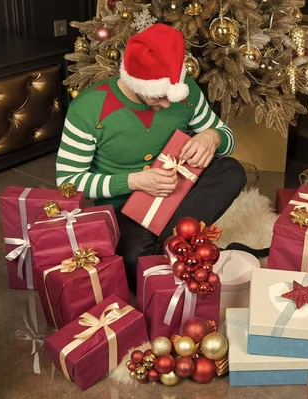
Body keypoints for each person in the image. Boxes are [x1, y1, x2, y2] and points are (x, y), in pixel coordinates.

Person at [55, 24, 247, 289]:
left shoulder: (186, 91)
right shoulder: (88, 108)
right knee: (134, 261)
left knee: (232, 170)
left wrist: (212, 137)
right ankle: (178, 247)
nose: (168, 104)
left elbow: (228, 140)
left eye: (171, 94)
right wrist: (133, 181)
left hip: (180, 192)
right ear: (136, 82)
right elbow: (69, 181)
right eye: (158, 96)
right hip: (125, 206)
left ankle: (167, 249)